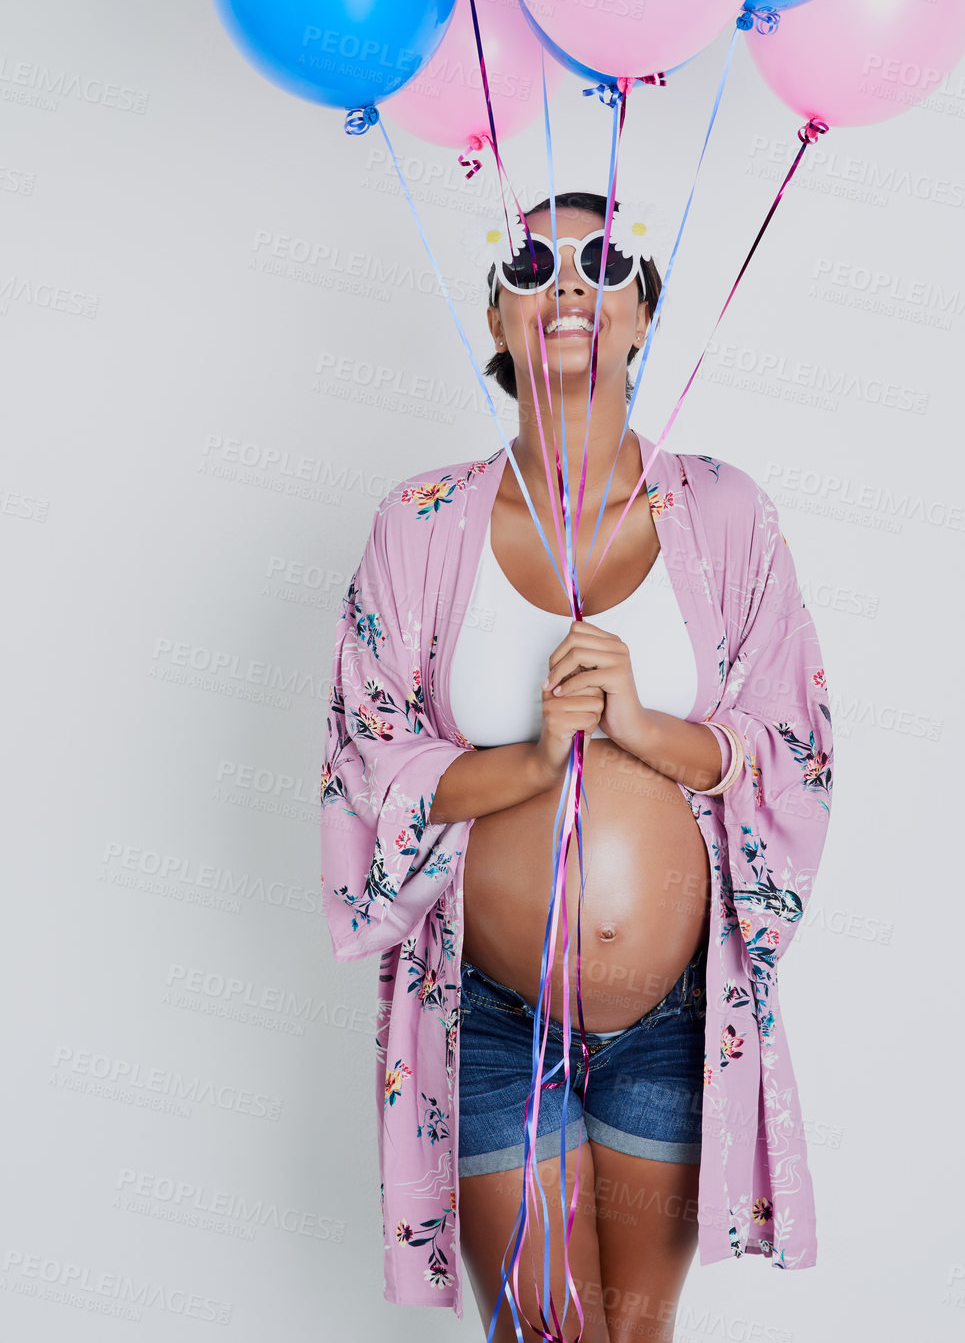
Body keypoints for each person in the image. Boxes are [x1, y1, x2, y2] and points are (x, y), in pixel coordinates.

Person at [319, 192, 834, 1342]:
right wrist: (531, 756)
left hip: (673, 1018)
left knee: (633, 1336)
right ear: (496, 320)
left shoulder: (727, 514)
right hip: (491, 1021)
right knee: (547, 1333)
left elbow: (794, 740)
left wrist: (649, 731)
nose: (565, 283)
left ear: (643, 317)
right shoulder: (420, 522)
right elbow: (366, 757)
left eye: (603, 260)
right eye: (531, 262)